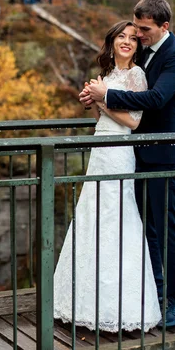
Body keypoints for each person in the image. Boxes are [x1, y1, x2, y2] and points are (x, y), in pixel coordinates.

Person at [80, 0, 175, 328]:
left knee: (166, 229)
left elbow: (156, 99)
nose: (139, 35)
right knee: (143, 228)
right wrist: (96, 95)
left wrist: (105, 96)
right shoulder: (144, 51)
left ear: (165, 26)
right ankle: (152, 294)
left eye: (144, 30)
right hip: (137, 154)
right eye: (136, 28)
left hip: (165, 154)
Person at [53, 21, 161, 332]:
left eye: (132, 38)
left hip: (118, 153)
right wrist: (92, 102)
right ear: (111, 42)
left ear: (137, 45)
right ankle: (84, 303)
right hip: (100, 152)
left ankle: (120, 307)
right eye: (121, 37)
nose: (127, 41)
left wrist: (103, 99)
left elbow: (133, 122)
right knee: (92, 217)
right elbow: (103, 118)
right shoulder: (109, 75)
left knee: (116, 218)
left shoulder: (136, 75)